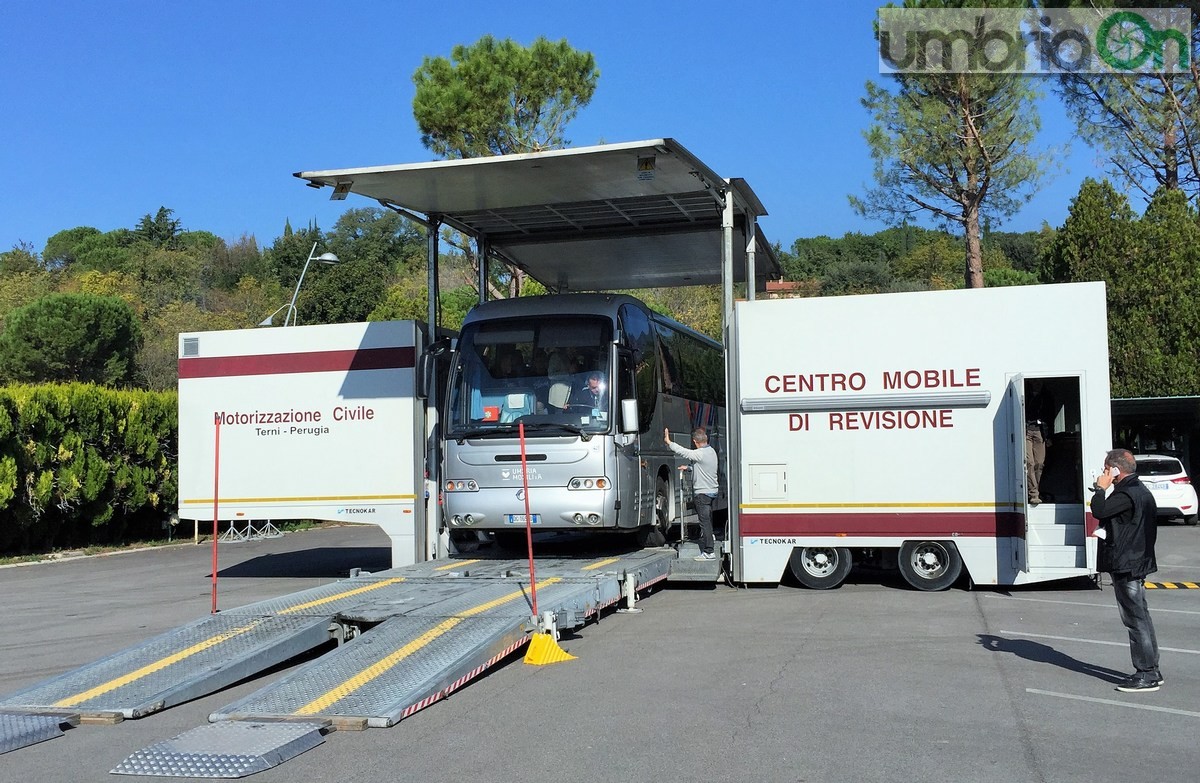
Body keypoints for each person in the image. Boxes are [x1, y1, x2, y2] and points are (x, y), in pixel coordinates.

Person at [1090, 448, 1162, 693]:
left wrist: (1101, 488)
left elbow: (1099, 510)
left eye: (1106, 469)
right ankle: (1152, 669)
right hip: (1136, 560)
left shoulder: (1125, 494)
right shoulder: (1140, 491)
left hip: (1127, 563)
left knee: (1134, 619)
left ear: (1116, 470)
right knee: (1141, 616)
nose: (1104, 473)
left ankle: (1146, 673)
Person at [664, 427, 720, 561]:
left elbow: (684, 452)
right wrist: (689, 468)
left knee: (704, 522)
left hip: (702, 493)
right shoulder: (711, 451)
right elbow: (703, 467)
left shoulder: (699, 453)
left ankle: (708, 552)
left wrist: (669, 442)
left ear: (695, 442)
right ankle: (710, 537)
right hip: (712, 491)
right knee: (707, 519)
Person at [1025, 379, 1054, 505]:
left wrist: (1049, 437)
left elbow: (1050, 417)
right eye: (1035, 382)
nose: (1037, 384)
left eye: (1039, 382)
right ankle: (1034, 494)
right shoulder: (1025, 395)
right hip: (1026, 432)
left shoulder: (1046, 397)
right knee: (1029, 462)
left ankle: (1035, 489)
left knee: (1039, 464)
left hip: (1041, 432)